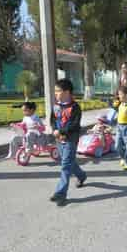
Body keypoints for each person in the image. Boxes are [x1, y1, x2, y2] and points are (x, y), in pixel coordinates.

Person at [50, 78, 87, 207]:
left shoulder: (75, 107)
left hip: (71, 139)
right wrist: (54, 129)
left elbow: (74, 125)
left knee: (65, 165)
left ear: (67, 92)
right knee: (69, 162)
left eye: (58, 91)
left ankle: (61, 193)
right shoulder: (56, 106)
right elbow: (53, 120)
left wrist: (62, 131)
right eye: (55, 91)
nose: (55, 93)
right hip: (59, 139)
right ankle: (81, 175)